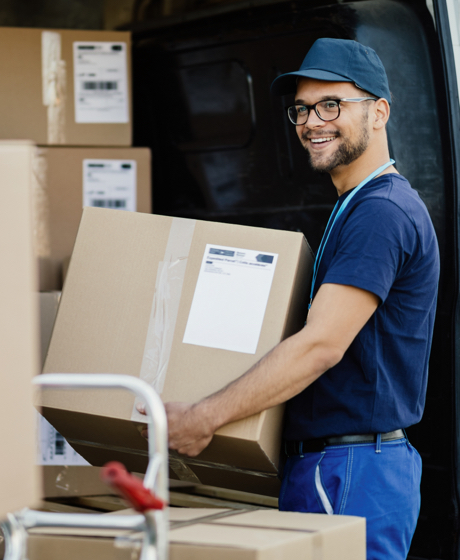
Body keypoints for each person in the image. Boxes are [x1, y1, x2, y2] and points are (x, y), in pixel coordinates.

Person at [141, 38, 440, 559]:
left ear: (379, 112)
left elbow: (321, 345)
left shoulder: (381, 213)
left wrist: (205, 417)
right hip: (343, 467)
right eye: (302, 109)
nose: (312, 122)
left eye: (332, 105)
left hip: (350, 472)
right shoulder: (357, 206)